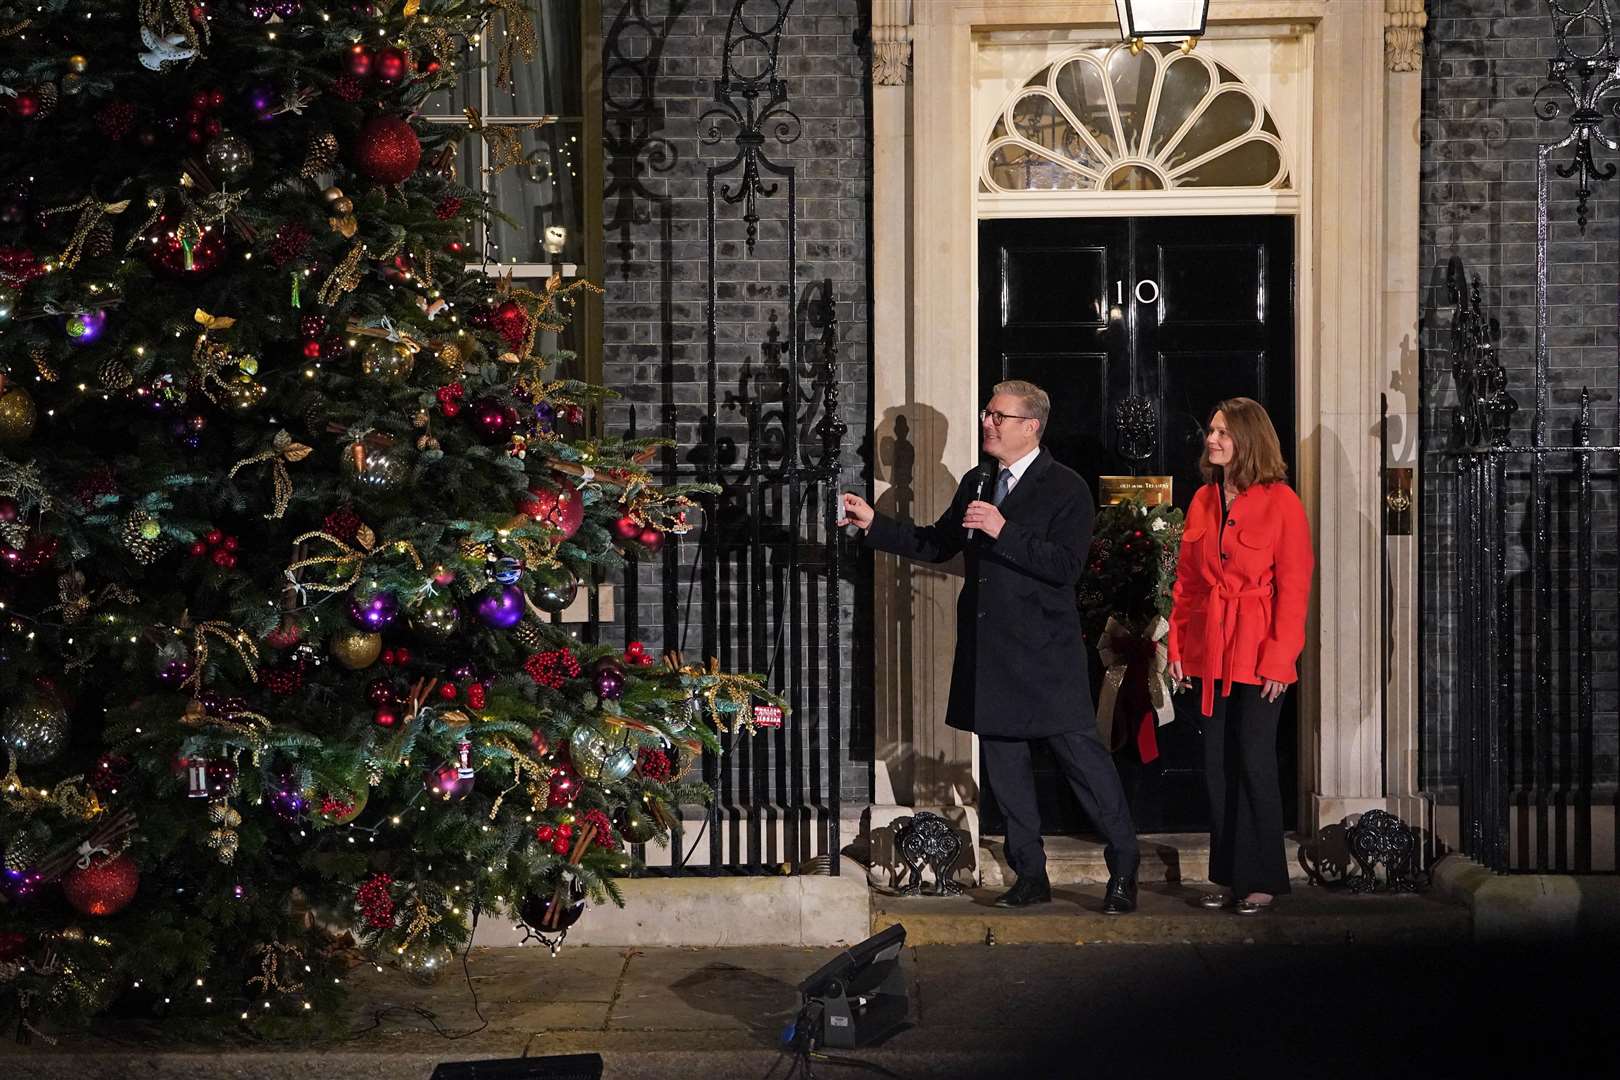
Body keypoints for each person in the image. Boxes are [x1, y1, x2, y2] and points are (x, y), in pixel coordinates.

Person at [839, 381, 1140, 912]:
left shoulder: (1065, 487)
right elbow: (937, 542)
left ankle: (1124, 870)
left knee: (1085, 768)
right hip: (992, 653)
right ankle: (1030, 876)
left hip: (1047, 656)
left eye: (999, 416)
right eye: (987, 413)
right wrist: (874, 525)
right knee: (1007, 773)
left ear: (1031, 426)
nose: (988, 423)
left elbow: (1067, 567)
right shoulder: (979, 480)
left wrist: (1004, 530)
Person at [1167, 398, 1314, 916]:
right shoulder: (1203, 500)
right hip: (1210, 651)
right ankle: (1229, 876)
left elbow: (1294, 589)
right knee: (1218, 765)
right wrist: (1178, 648)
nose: (1213, 439)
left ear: (1248, 439)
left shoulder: (1282, 503)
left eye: (1224, 432)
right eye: (1211, 430)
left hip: (1256, 655)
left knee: (1254, 762)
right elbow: (1185, 585)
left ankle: (1263, 878)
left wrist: (1279, 660)